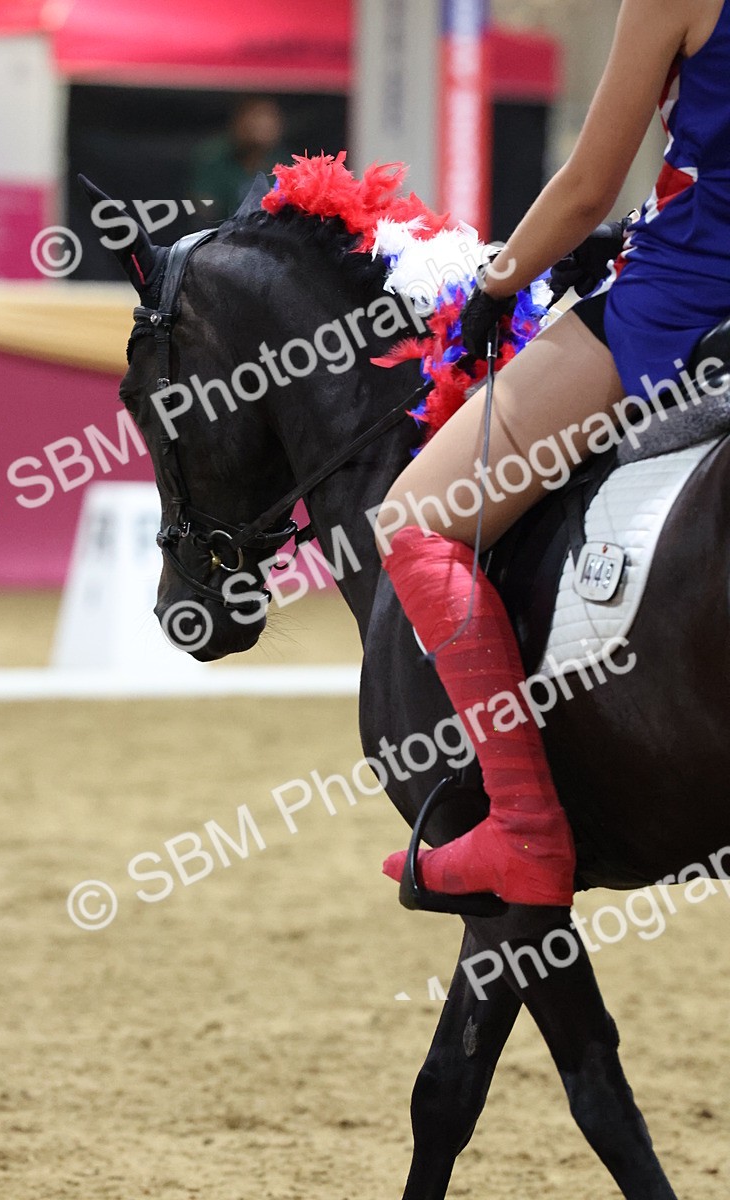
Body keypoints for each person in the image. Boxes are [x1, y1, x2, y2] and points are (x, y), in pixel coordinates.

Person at [378, 0, 730, 909]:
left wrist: (498, 285)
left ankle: (524, 831)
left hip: (686, 302)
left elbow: (585, 187)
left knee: (416, 519)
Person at [192, 96, 289, 219]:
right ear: (238, 121)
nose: (263, 124)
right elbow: (204, 211)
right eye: (256, 116)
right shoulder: (212, 156)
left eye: (270, 117)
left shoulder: (286, 164)